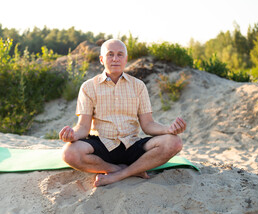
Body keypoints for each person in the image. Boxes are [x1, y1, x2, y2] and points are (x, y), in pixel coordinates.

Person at [59, 39, 186, 187]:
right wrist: (72, 135)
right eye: (110, 54)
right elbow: (83, 127)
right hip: (101, 144)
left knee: (174, 142)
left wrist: (168, 130)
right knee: (68, 153)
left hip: (131, 144)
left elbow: (148, 124)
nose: (115, 59)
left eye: (120, 54)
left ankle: (121, 174)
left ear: (125, 59)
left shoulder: (138, 86)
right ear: (101, 59)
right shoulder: (88, 87)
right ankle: (119, 169)